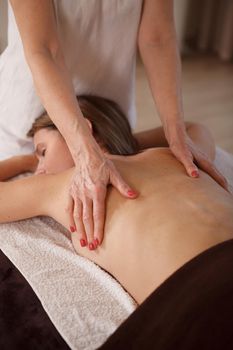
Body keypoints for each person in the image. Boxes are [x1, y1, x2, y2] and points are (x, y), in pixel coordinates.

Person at [9, 0, 228, 250]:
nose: (39, 168)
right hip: (38, 99)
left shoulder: (56, 187)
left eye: (42, 155)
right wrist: (83, 152)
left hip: (107, 111)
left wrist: (174, 134)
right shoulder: (157, 161)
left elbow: (157, 37)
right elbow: (44, 49)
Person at [0, 94, 232, 301]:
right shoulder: (179, 157)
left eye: (42, 152)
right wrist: (124, 144)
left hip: (198, 290)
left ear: (82, 130)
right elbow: (194, 128)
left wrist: (25, 161)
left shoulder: (66, 184)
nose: (38, 169)